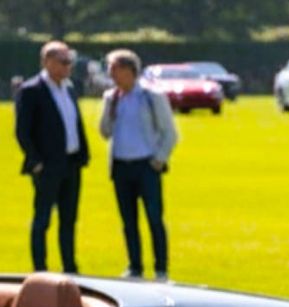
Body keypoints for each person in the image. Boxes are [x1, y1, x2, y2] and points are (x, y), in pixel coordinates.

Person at [98, 49, 176, 280]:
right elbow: (105, 132)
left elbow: (169, 132)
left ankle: (160, 268)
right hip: (121, 166)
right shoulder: (111, 98)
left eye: (115, 70)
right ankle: (135, 266)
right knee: (128, 220)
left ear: (129, 70)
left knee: (154, 218)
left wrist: (158, 159)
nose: (112, 76)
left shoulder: (152, 96)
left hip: (146, 166)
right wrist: (109, 111)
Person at [14, 40, 89, 275]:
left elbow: (75, 124)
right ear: (47, 61)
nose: (68, 66)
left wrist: (83, 155)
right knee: (43, 219)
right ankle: (40, 269)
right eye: (63, 61)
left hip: (71, 163)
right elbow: (22, 131)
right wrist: (35, 161)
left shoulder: (69, 88)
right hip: (46, 166)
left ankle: (70, 267)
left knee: (69, 220)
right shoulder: (31, 90)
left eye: (70, 62)